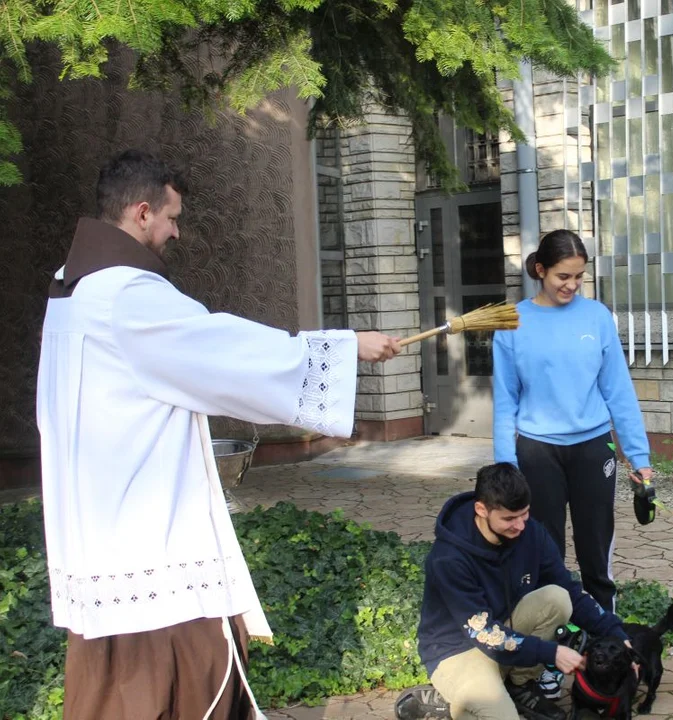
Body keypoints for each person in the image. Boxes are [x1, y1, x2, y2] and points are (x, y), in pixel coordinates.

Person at [36, 148, 401, 720]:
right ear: (140, 213)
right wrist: (344, 347)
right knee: (184, 682)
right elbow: (224, 351)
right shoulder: (127, 296)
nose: (176, 232)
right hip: (147, 540)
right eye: (172, 217)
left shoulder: (71, 287)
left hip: (97, 530)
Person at [492, 228, 653, 613]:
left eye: (579, 276)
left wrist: (640, 459)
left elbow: (618, 390)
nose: (572, 285)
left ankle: (604, 637)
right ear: (540, 270)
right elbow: (504, 401)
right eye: (563, 276)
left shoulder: (596, 317)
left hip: (594, 446)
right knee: (544, 552)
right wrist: (505, 466)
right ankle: (553, 645)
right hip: (537, 450)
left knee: (595, 548)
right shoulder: (511, 322)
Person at [396, 463, 634, 720]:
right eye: (509, 518)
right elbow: (485, 633)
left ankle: (518, 686)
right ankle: (453, 702)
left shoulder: (530, 533)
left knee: (557, 598)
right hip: (457, 651)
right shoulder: (449, 558)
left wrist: (617, 634)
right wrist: (551, 653)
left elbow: (570, 590)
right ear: (481, 510)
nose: (520, 526)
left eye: (525, 514)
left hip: (504, 634)